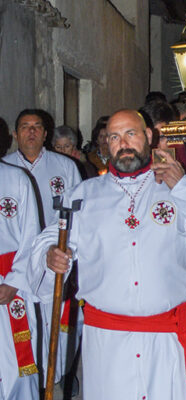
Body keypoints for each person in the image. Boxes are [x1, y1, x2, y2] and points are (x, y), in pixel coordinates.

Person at [30, 109, 186, 400]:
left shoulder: (178, 188)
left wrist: (184, 186)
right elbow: (51, 239)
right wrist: (51, 255)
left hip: (167, 342)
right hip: (107, 346)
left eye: (131, 133)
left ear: (149, 136)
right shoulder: (85, 195)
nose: (122, 143)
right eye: (114, 136)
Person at [3, 109, 82, 389]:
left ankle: (57, 379)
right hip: (18, 263)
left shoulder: (65, 167)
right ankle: (30, 383)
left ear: (46, 134)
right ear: (15, 134)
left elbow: (79, 213)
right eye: (25, 127)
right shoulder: (6, 169)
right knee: (24, 332)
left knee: (52, 325)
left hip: (53, 259)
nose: (31, 132)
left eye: (37, 127)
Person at [0, 160, 41, 400]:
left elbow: (31, 234)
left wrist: (15, 281)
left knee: (16, 364)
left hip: (10, 281)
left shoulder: (16, 178)